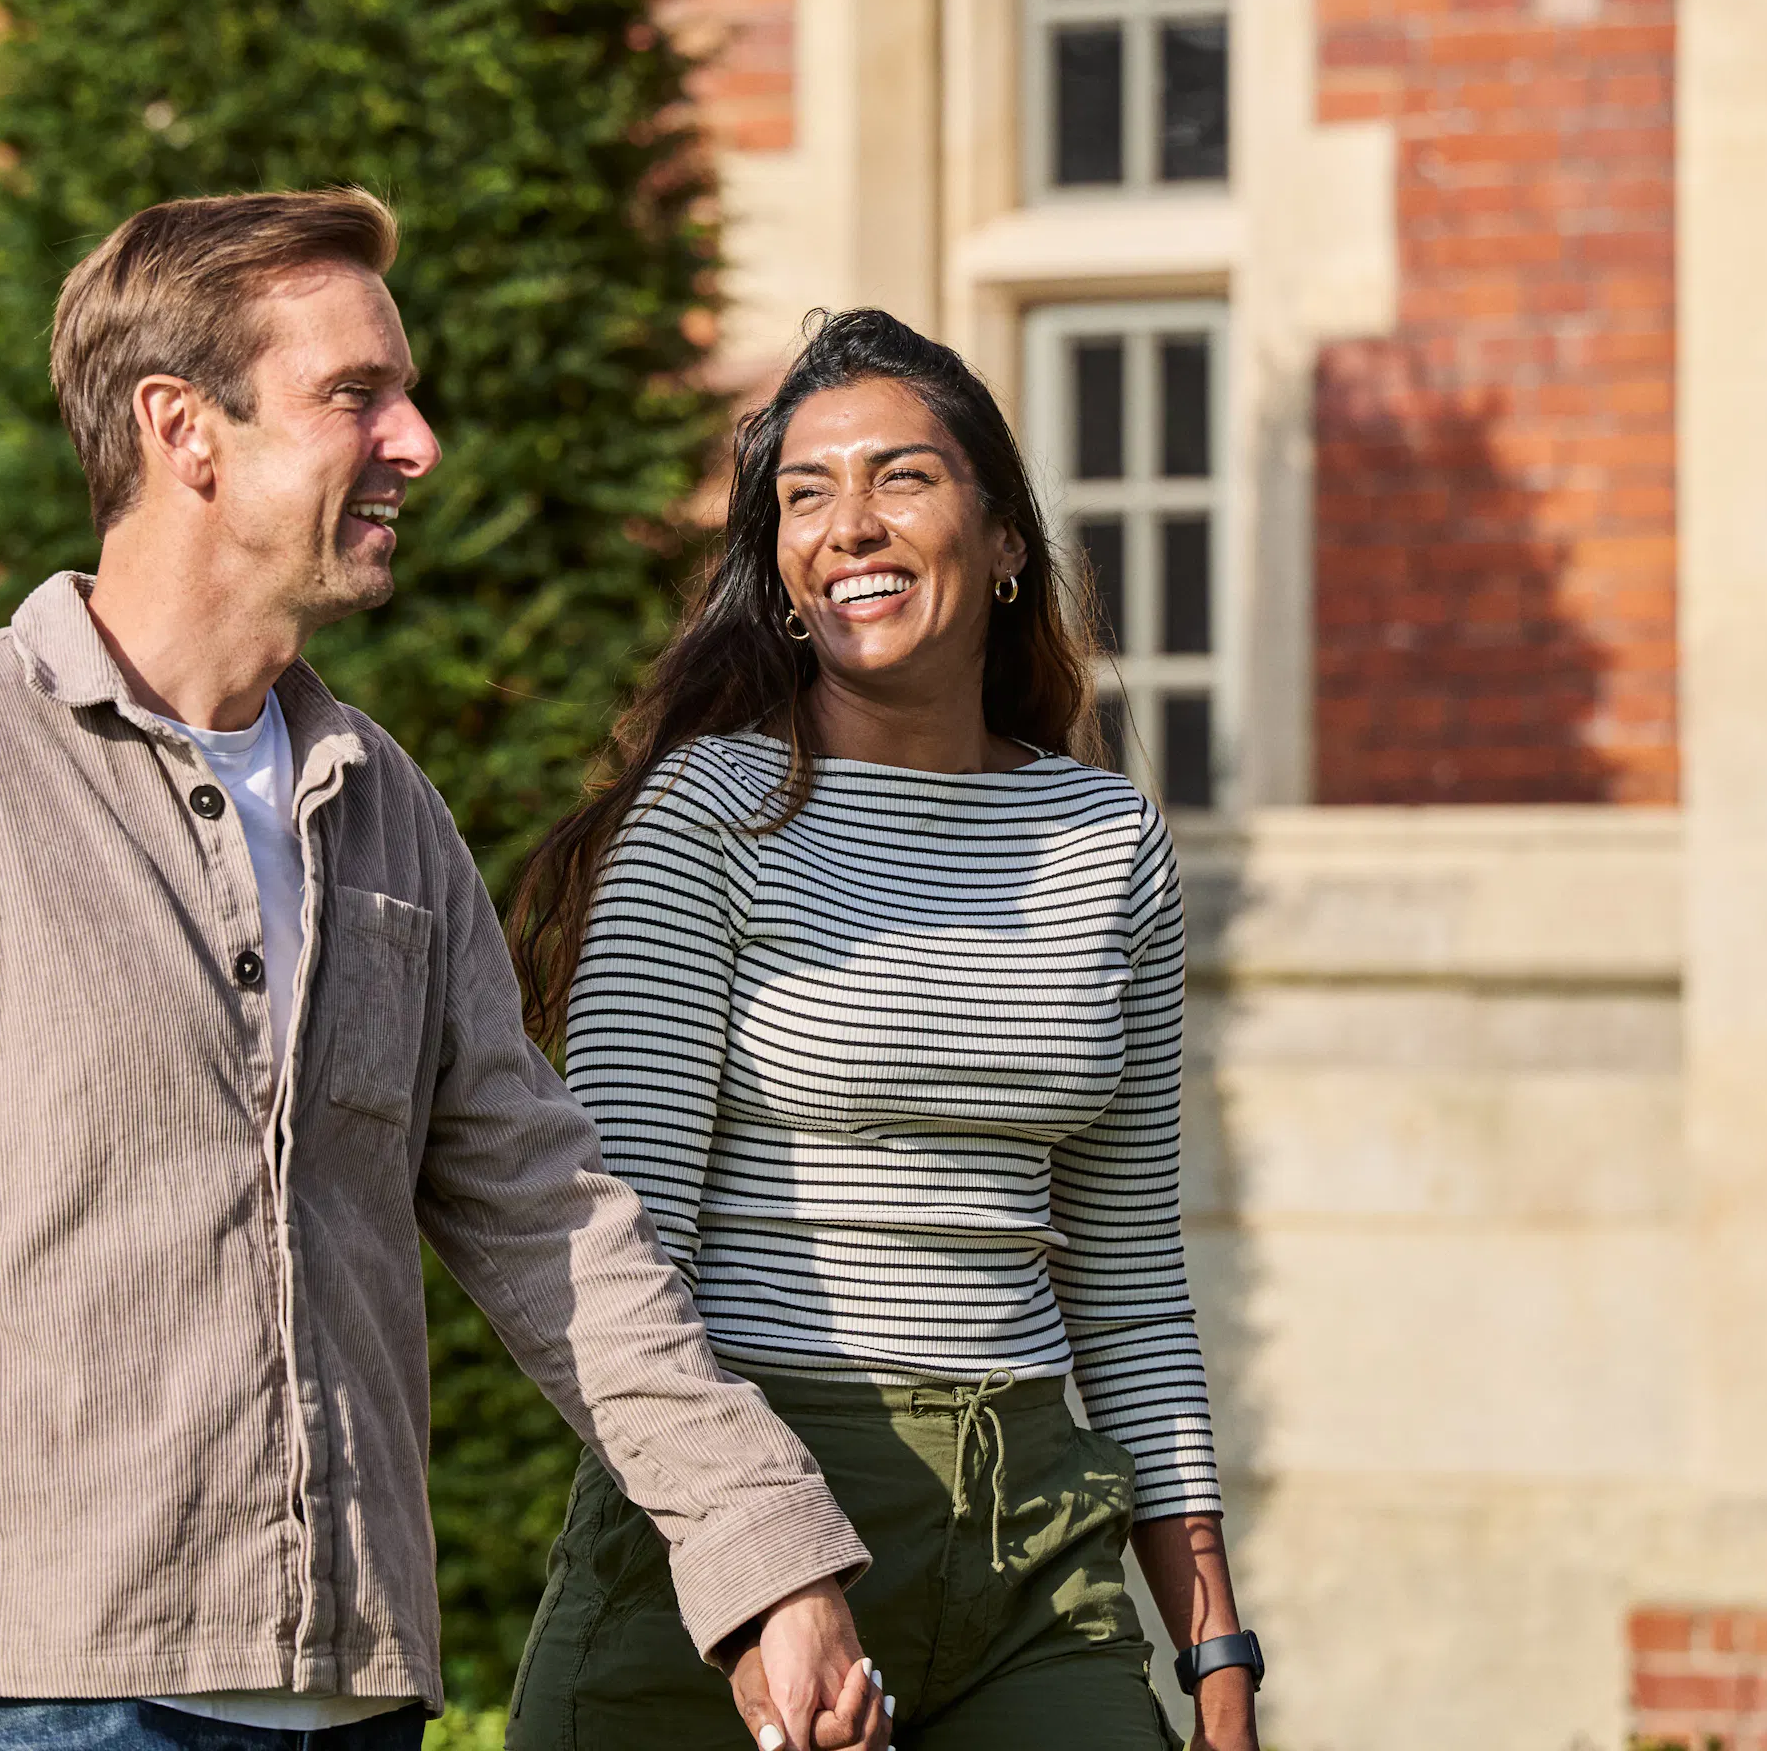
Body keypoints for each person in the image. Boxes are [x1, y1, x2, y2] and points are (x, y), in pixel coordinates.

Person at [0, 191, 896, 1751]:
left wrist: (762, 1559)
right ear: (183, 427)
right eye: (356, 396)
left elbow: (550, 1216)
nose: (418, 442)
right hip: (40, 1700)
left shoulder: (381, 805)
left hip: (355, 1688)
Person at [499, 308, 1264, 1751]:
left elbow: (1131, 1281)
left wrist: (1214, 1645)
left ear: (1006, 539)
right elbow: (608, 1252)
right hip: (743, 1508)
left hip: (1027, 1531)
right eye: (805, 494)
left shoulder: (1106, 842)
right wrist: (761, 1569)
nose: (850, 524)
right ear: (782, 574)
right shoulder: (707, 821)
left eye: (901, 478)